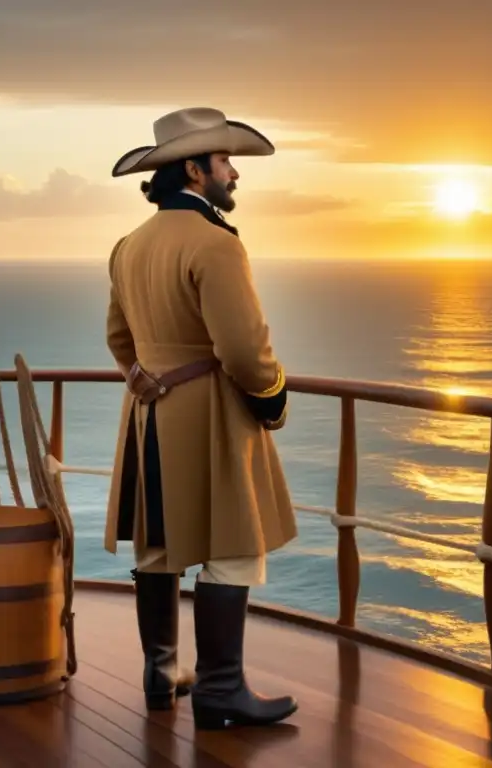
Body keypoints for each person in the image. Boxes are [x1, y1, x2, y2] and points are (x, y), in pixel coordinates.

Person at [102, 107, 298, 730]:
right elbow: (243, 349)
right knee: (234, 550)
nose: (235, 173)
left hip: (147, 414)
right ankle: (219, 691)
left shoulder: (128, 246)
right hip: (209, 414)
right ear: (194, 169)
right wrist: (271, 398)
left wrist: (144, 380)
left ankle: (160, 675)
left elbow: (117, 337)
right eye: (225, 162)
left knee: (159, 544)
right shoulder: (216, 243)